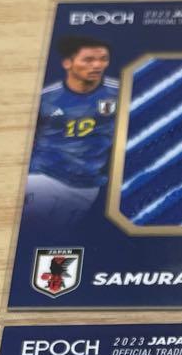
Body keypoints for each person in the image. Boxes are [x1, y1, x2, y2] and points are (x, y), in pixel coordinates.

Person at [25, 35, 119, 228]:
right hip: (43, 176)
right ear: (67, 63)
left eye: (103, 59)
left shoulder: (120, 94)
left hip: (87, 185)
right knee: (32, 228)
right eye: (88, 60)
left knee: (56, 234)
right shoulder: (45, 98)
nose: (97, 65)